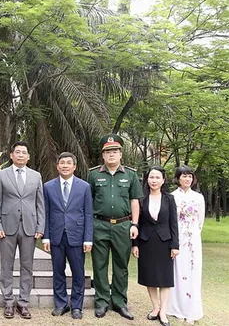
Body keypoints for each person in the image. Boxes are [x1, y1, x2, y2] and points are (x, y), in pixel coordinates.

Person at [87, 134, 143, 320]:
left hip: (123, 225)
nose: (111, 155)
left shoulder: (130, 174)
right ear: (103, 155)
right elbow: (89, 201)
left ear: (120, 154)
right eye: (107, 152)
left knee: (121, 265)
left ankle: (119, 302)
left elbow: (135, 201)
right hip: (99, 224)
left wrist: (134, 224)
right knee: (99, 265)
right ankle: (102, 301)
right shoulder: (94, 174)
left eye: (114, 151)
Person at [0, 141, 45, 319]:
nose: (21, 155)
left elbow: (40, 205)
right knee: (6, 266)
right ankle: (8, 302)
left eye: (24, 152)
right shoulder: (2, 175)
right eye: (18, 152)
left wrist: (40, 227)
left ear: (28, 156)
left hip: (29, 228)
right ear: (12, 155)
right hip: (6, 228)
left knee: (27, 267)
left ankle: (23, 303)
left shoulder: (36, 176)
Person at [42, 152, 93, 320]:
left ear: (74, 167)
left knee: (78, 272)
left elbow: (88, 214)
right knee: (58, 271)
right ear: (57, 166)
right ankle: (61, 304)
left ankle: (77, 306)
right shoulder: (48, 186)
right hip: (56, 236)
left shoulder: (84, 186)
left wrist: (88, 238)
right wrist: (46, 237)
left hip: (77, 236)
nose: (65, 165)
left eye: (68, 163)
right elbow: (46, 213)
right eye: (62, 163)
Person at [132, 166, 179, 326]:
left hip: (165, 242)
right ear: (147, 179)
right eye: (151, 177)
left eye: (157, 177)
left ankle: (164, 312)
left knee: (165, 279)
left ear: (163, 180)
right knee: (150, 277)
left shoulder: (169, 199)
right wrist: (135, 244)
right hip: (146, 242)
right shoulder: (141, 199)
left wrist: (175, 245)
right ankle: (155, 308)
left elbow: (174, 223)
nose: (154, 180)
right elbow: (136, 223)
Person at [167, 165, 205, 324]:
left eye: (190, 176)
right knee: (178, 271)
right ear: (178, 178)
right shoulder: (171, 196)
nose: (187, 179)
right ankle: (177, 309)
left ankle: (191, 310)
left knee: (193, 272)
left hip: (193, 239)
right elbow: (170, 220)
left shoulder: (199, 197)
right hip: (177, 238)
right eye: (184, 176)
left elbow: (201, 221)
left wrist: (193, 234)